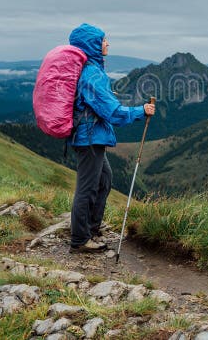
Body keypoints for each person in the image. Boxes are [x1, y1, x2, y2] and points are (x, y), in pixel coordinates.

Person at [67, 23, 155, 252]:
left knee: (104, 180)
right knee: (87, 188)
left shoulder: (92, 70)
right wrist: (140, 111)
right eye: (103, 40)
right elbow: (113, 113)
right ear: (92, 44)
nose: (107, 43)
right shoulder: (92, 74)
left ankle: (92, 229)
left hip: (91, 136)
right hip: (89, 138)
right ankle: (79, 240)